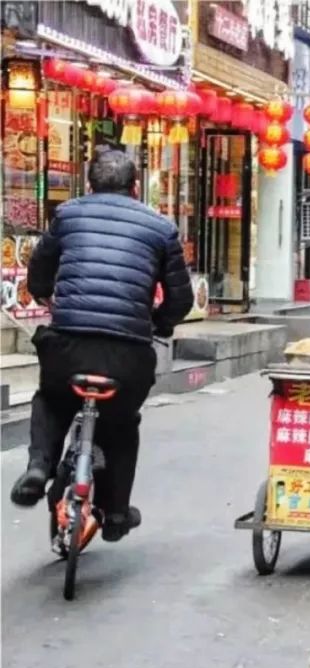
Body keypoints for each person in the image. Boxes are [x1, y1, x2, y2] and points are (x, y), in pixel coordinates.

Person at [11, 148, 193, 541]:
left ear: (88, 184)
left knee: (52, 399)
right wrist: (158, 324)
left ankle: (39, 467)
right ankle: (114, 514)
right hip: (128, 354)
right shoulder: (161, 227)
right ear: (137, 187)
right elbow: (181, 300)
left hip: (68, 345)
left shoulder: (68, 214)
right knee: (121, 423)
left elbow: (39, 271)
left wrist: (46, 297)